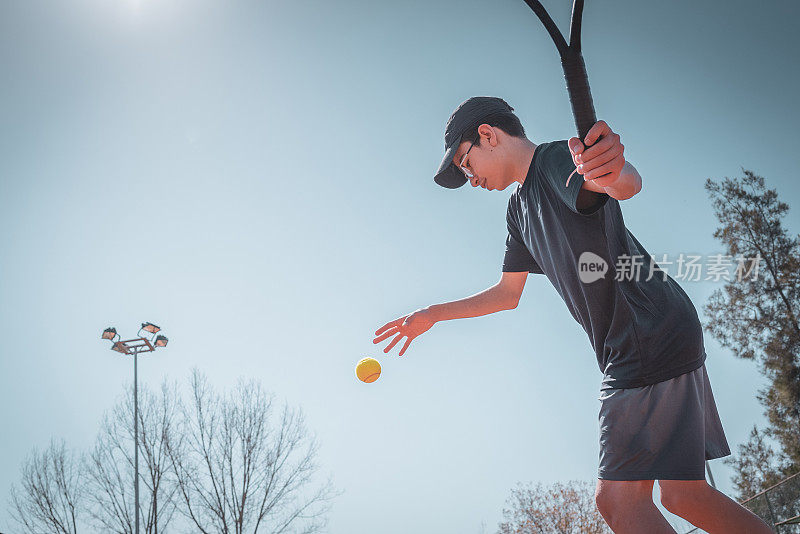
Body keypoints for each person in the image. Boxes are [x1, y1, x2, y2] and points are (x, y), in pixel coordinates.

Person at [372, 96, 773, 533]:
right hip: (659, 328)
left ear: (487, 135)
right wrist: (432, 315)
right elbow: (508, 293)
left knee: (618, 501)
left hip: (642, 334)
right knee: (684, 494)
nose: (470, 180)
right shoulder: (518, 210)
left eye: (467, 163)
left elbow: (620, 184)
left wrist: (615, 170)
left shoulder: (553, 160)